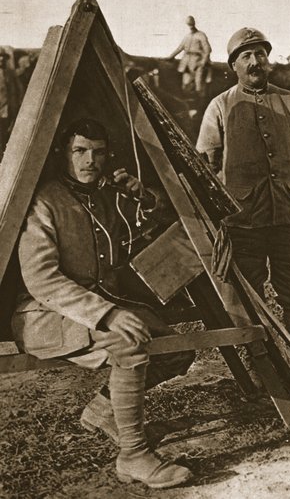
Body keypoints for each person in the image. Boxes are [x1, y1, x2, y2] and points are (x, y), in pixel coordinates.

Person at [12, 118, 194, 488]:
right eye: (79, 151)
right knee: (128, 342)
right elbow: (41, 278)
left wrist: (142, 194)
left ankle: (104, 409)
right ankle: (134, 456)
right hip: (44, 313)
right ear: (64, 154)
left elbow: (174, 217)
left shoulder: (106, 193)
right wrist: (107, 314)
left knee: (177, 350)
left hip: (95, 304)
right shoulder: (44, 199)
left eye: (97, 152)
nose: (89, 160)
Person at [196, 28, 290, 351]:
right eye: (246, 56)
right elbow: (205, 169)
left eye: (261, 54)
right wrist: (215, 219)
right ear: (233, 66)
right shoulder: (219, 107)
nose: (255, 62)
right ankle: (263, 368)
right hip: (244, 223)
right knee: (249, 297)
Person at [167, 15, 212, 98]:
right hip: (187, 62)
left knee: (198, 84)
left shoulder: (201, 35)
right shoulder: (187, 36)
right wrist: (170, 57)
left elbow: (207, 49)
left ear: (194, 24)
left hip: (198, 62)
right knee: (185, 84)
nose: (190, 27)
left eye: (191, 24)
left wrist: (203, 62)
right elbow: (180, 48)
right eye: (188, 25)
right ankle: (188, 102)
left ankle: (200, 103)